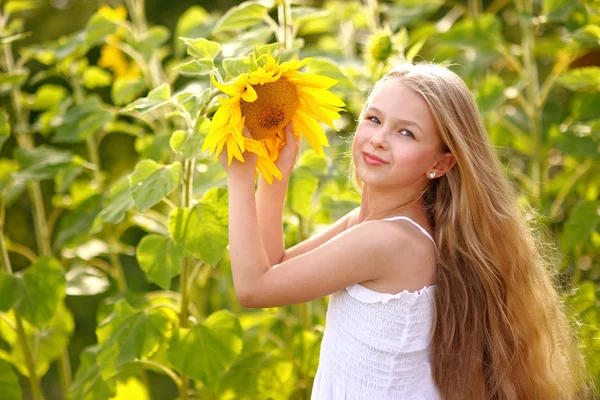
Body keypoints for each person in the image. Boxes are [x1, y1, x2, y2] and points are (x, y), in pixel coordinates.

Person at [217, 63, 593, 399]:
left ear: (442, 163)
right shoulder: (377, 225)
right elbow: (274, 265)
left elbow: (254, 288)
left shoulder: (388, 241)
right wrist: (275, 173)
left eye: (407, 133)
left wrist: (240, 173)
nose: (379, 138)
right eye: (374, 119)